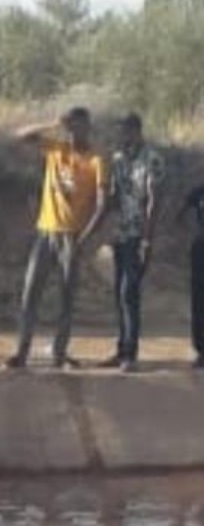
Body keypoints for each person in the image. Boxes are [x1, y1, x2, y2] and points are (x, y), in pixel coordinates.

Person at [4, 107, 108, 370]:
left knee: (66, 296)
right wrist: (52, 123)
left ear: (88, 128)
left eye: (79, 127)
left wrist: (85, 237)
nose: (74, 133)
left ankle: (59, 353)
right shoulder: (56, 149)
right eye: (71, 127)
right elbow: (18, 136)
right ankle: (22, 351)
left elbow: (102, 203)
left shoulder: (95, 160)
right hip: (46, 230)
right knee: (30, 292)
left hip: (71, 235)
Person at [98, 113, 165, 373]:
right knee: (119, 292)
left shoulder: (152, 159)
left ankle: (131, 354)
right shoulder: (118, 159)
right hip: (120, 234)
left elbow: (153, 200)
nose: (124, 135)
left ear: (138, 130)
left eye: (127, 130)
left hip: (138, 233)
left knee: (129, 292)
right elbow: (113, 197)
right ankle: (121, 348)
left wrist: (147, 239)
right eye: (121, 131)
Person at [181, 183, 204, 369]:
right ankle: (201, 351)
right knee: (199, 302)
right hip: (201, 250)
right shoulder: (199, 190)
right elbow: (181, 215)